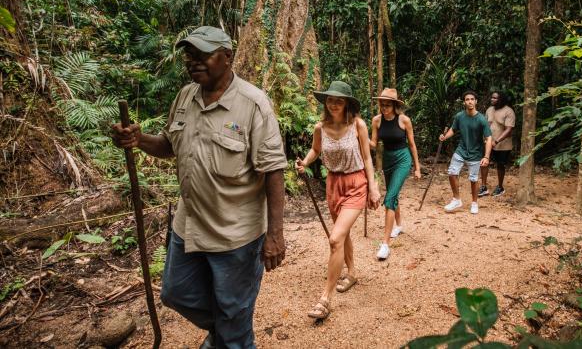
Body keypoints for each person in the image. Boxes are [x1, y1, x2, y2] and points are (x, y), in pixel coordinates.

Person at [111, 26, 287, 349]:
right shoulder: (185, 97)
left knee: (234, 324)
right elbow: (170, 144)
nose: (194, 62)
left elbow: (274, 169)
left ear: (228, 57)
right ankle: (230, 330)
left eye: (203, 54)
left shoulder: (253, 105)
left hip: (236, 236)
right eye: (189, 55)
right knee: (176, 293)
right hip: (188, 226)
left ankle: (231, 334)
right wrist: (139, 140)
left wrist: (275, 233)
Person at [295, 81, 381, 320]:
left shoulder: (358, 125)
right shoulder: (319, 127)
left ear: (347, 104)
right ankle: (351, 272)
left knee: (335, 238)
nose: (334, 104)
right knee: (343, 236)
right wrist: (305, 162)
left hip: (356, 183)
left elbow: (367, 158)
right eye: (330, 100)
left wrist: (373, 188)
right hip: (333, 184)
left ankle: (325, 298)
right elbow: (315, 150)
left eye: (339, 100)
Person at [369, 88, 421, 260]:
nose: (384, 107)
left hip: (403, 159)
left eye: (388, 105)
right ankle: (398, 225)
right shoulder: (376, 121)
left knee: (390, 197)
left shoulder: (404, 120)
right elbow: (373, 144)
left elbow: (412, 145)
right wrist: (359, 137)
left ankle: (385, 244)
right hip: (388, 160)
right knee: (393, 192)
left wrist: (417, 167)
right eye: (382, 104)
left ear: (394, 105)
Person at [438, 90, 492, 214]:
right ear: (464, 102)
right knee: (452, 172)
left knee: (473, 179)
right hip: (461, 150)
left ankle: (474, 203)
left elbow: (489, 138)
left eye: (472, 99)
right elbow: (453, 129)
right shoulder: (459, 116)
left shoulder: (481, 119)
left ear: (476, 101)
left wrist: (486, 156)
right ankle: (456, 199)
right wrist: (445, 137)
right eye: (467, 99)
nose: (470, 101)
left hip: (475, 153)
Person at [479, 91, 516, 197]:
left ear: (501, 100)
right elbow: (486, 124)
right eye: (492, 97)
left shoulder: (508, 111)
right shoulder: (489, 110)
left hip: (503, 144)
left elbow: (509, 130)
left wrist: (496, 141)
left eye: (495, 98)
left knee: (500, 165)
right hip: (488, 142)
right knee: (484, 162)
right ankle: (483, 187)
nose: (492, 99)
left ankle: (500, 187)